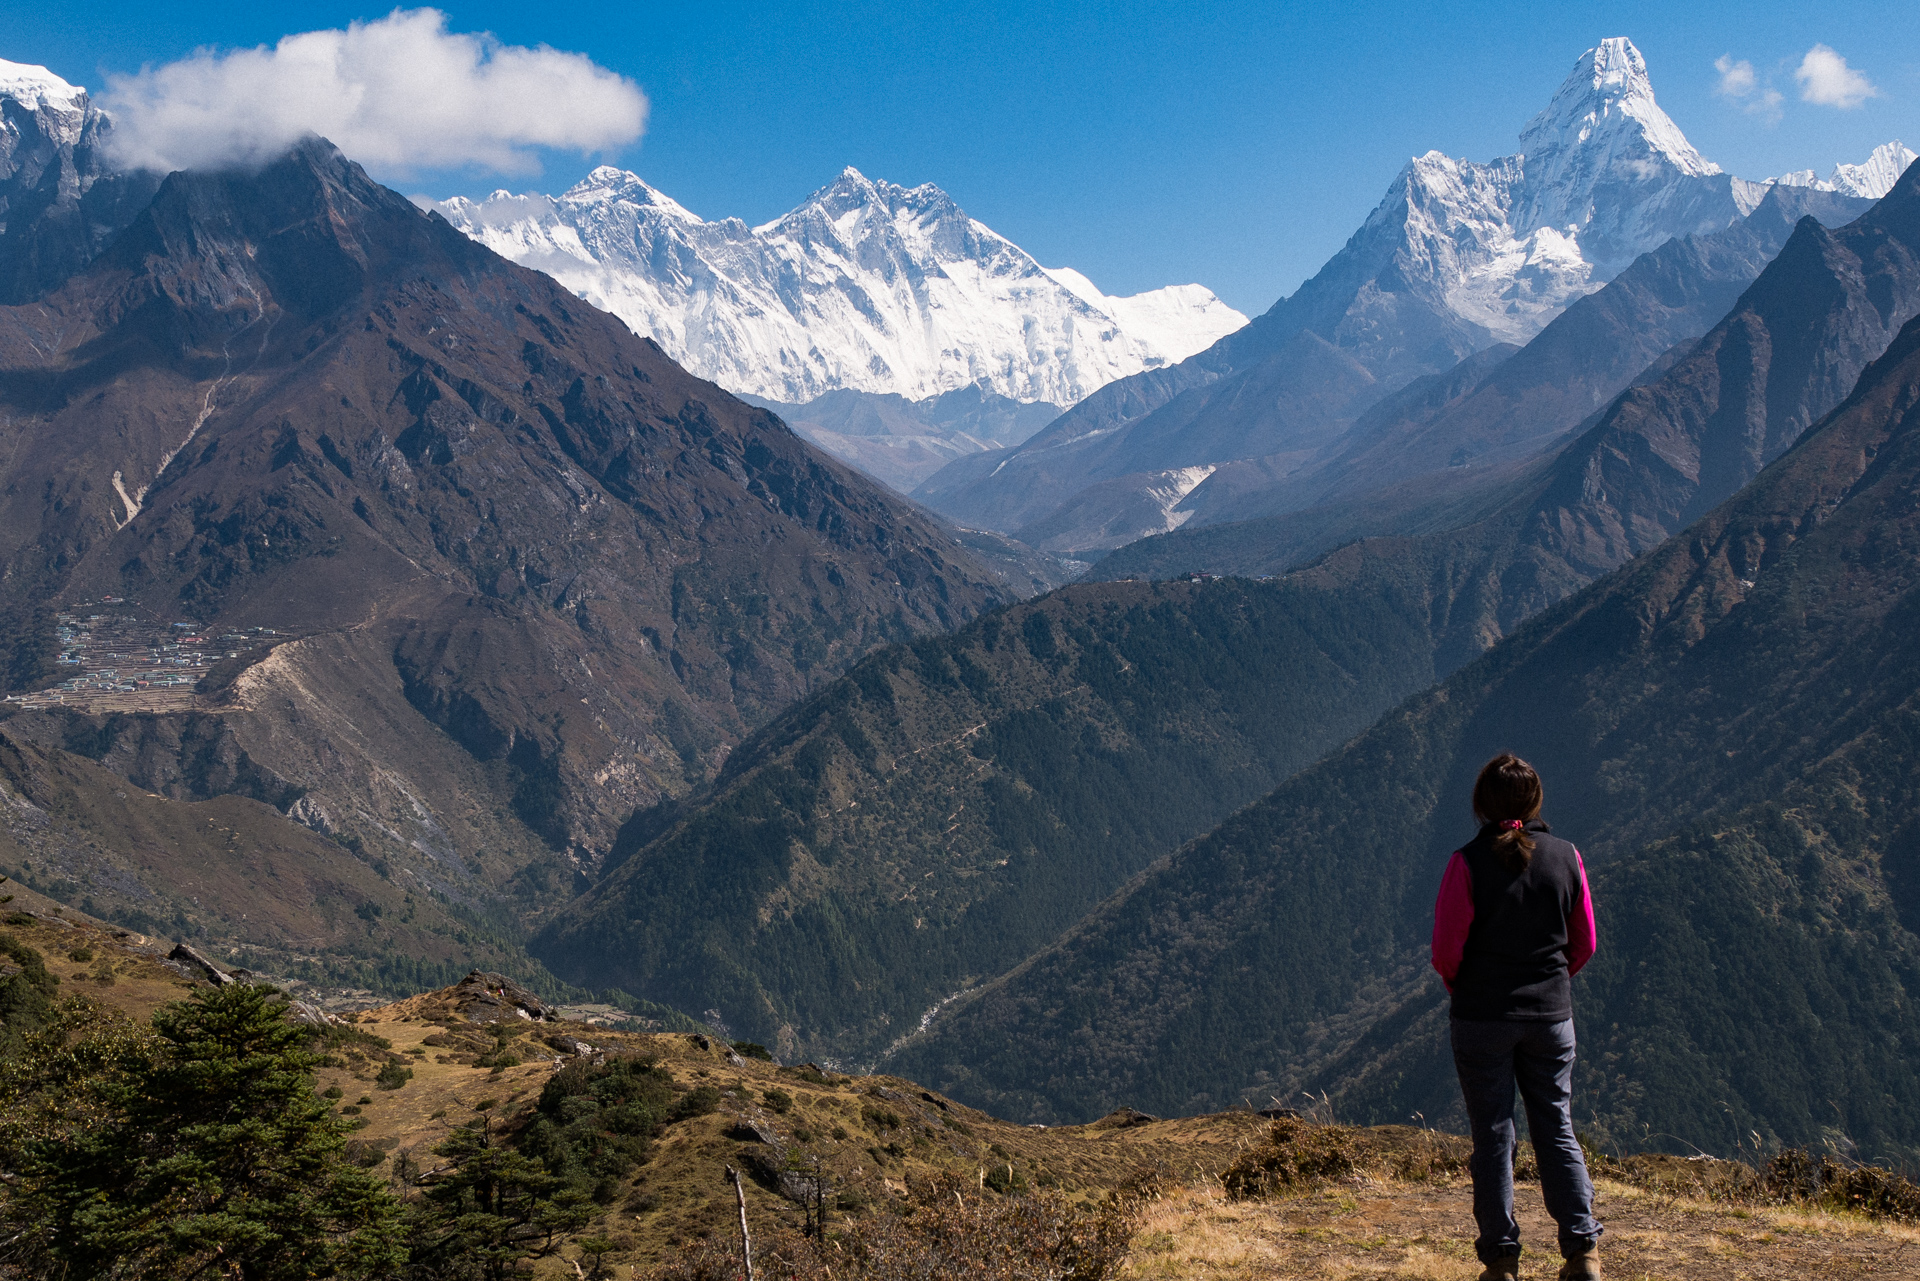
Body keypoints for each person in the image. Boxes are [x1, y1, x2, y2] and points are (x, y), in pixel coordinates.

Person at [1431, 753, 1602, 1281]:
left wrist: (1470, 987)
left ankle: (1502, 1261)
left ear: (1481, 805)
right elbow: (1585, 943)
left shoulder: (1465, 863)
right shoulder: (1567, 857)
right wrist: (1551, 983)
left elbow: (1446, 951)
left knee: (1494, 1135)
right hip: (1550, 1017)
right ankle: (1582, 1253)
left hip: (1483, 1017)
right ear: (1534, 803)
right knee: (1556, 1127)